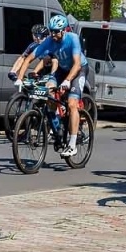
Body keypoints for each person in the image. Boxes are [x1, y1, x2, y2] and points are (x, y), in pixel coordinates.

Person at [31, 14, 86, 157]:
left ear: (63, 30)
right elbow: (41, 58)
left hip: (78, 69)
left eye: (56, 31)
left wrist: (68, 81)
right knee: (48, 95)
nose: (53, 34)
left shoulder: (72, 38)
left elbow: (77, 64)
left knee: (72, 103)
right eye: (51, 31)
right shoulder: (51, 41)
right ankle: (58, 131)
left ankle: (72, 145)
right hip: (62, 69)